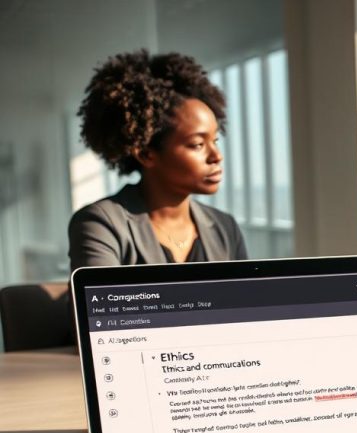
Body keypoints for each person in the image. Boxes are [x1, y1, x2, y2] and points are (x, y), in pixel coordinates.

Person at [68, 50, 246, 270]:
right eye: (197, 144)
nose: (216, 156)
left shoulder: (225, 228)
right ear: (146, 154)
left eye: (215, 140)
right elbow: (102, 305)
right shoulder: (102, 224)